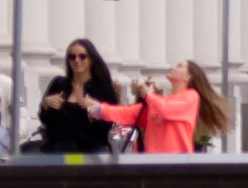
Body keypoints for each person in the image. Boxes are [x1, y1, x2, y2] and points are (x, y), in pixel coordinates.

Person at [93, 59, 231, 155]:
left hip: (176, 161)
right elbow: (131, 113)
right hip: (153, 160)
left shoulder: (191, 96)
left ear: (187, 76)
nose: (172, 67)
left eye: (179, 66)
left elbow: (166, 110)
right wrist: (103, 110)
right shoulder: (161, 101)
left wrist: (149, 95)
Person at [36, 38, 120, 154]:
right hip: (59, 153)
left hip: (92, 153)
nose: (77, 60)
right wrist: (45, 105)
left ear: (91, 59)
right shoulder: (58, 84)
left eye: (82, 56)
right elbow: (45, 120)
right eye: (72, 57)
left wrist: (100, 109)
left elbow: (112, 122)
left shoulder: (103, 88)